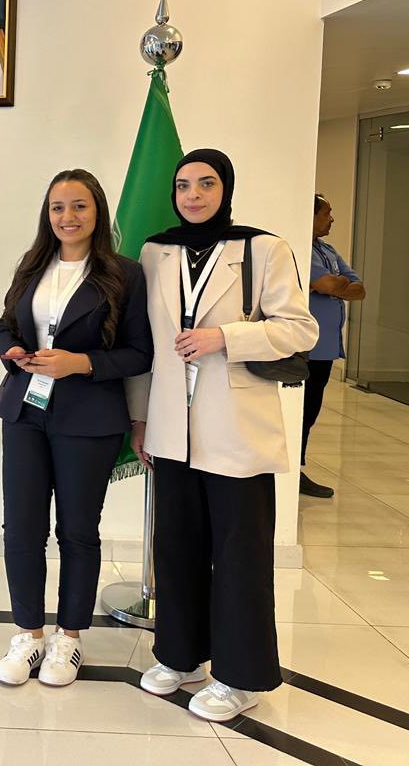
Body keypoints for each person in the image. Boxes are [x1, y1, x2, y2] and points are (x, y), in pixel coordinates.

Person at [129, 149, 318, 722]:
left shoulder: (262, 248)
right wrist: (140, 419)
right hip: (171, 426)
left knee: (240, 553)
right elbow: (146, 344)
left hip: (236, 427)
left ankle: (240, 678)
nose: (193, 195)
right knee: (176, 545)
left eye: (206, 184)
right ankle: (179, 655)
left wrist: (226, 338)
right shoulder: (155, 251)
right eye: (183, 185)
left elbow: (299, 329)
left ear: (225, 189)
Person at [0, 169, 153, 688]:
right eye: (58, 207)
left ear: (98, 211)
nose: (68, 217)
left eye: (79, 206)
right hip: (25, 412)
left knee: (78, 531)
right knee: (21, 527)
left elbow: (139, 353)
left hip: (89, 418)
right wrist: (13, 351)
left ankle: (69, 637)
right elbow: (5, 325)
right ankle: (28, 635)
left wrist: (79, 363)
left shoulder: (124, 275)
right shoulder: (32, 264)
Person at [303, 194, 365, 498]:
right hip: (307, 348)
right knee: (303, 411)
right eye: (326, 213)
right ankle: (294, 471)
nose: (331, 219)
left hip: (326, 348)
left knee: (312, 409)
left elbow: (359, 289)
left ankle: (298, 467)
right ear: (310, 215)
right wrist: (336, 284)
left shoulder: (327, 250)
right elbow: (328, 284)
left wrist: (334, 283)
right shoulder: (301, 248)